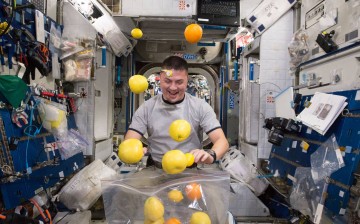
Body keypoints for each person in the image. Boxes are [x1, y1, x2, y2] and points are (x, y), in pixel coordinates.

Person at [124, 56, 229, 168]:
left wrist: (211, 155)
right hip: (156, 168)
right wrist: (134, 151)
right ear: (160, 79)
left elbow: (221, 141)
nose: (173, 87)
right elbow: (129, 141)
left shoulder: (200, 107)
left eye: (179, 82)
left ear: (186, 81)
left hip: (189, 168)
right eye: (167, 81)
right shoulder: (147, 108)